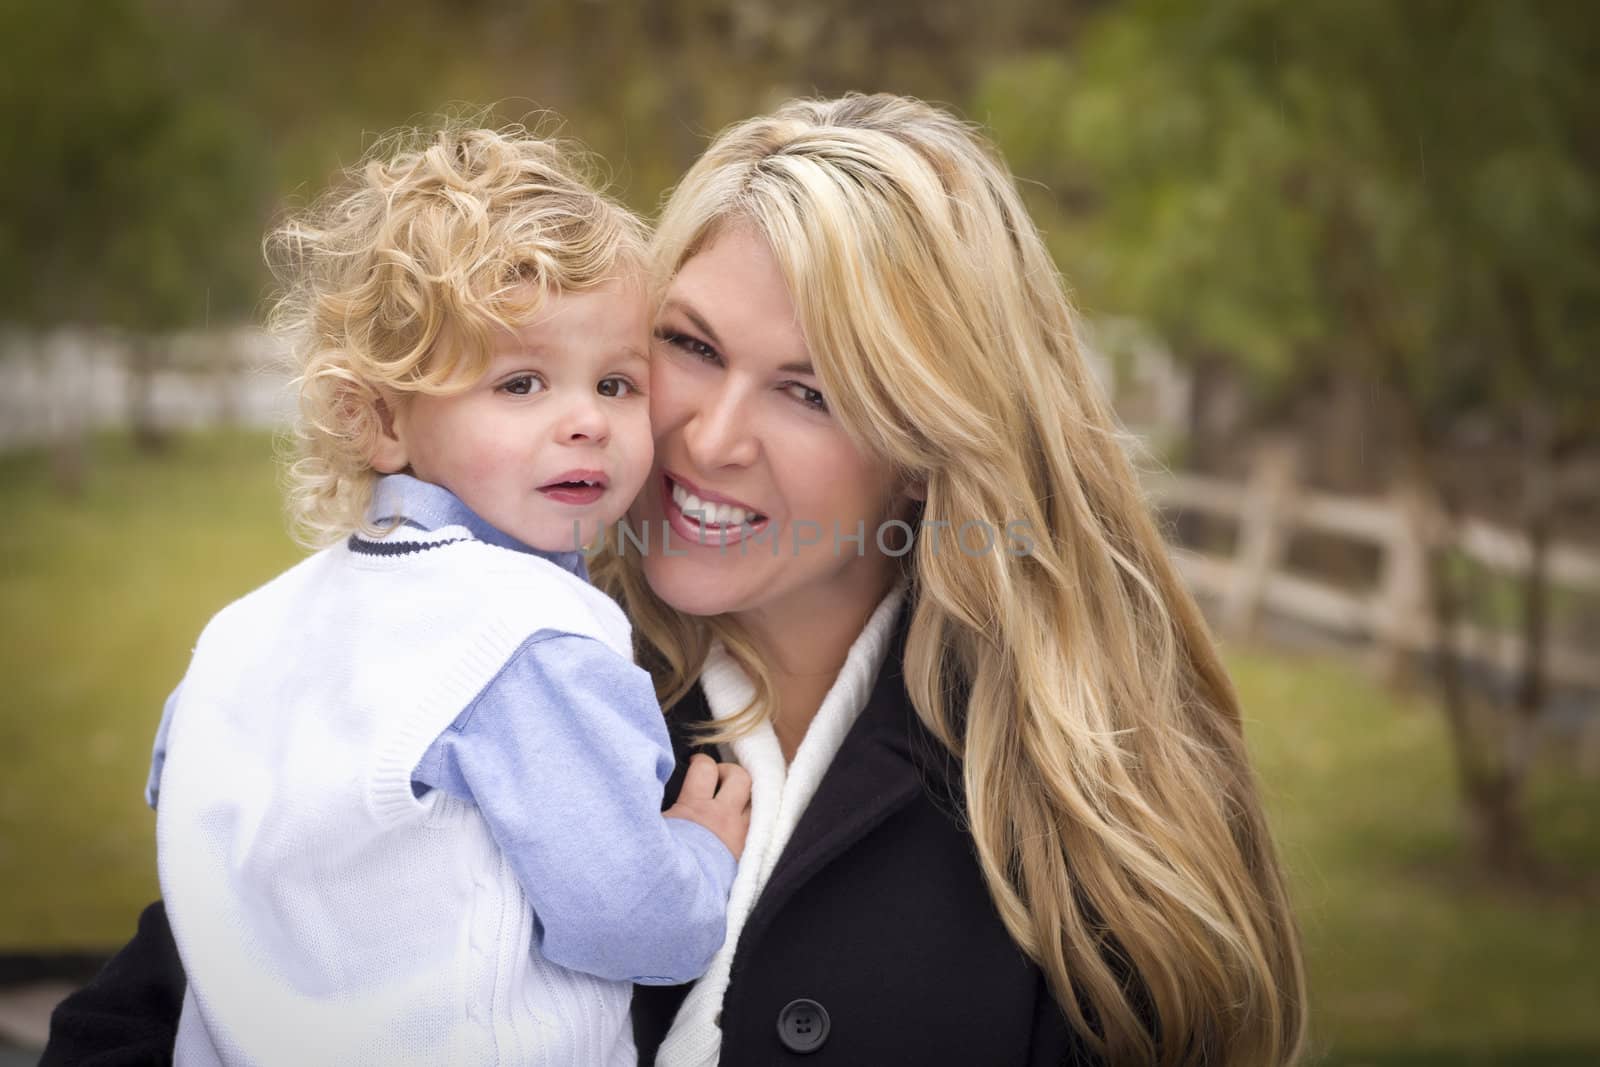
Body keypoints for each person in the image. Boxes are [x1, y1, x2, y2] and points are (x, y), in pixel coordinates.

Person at [47, 94, 1306, 1066]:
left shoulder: (1080, 796)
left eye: (810, 390)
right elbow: (150, 1011)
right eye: (689, 349)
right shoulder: (484, 662)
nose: (706, 438)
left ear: (926, 452)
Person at [141, 126, 750, 1065]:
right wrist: (700, 850)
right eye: (521, 382)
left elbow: (188, 802)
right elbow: (634, 923)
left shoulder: (246, 632)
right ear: (382, 417)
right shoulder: (528, 640)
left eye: (618, 381)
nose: (586, 419)